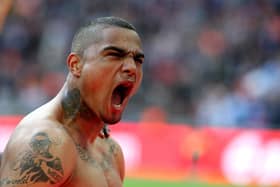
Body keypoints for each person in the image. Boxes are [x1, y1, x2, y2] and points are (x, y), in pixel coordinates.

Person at [0, 16, 144, 186]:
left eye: (137, 60)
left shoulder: (111, 150)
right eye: (114, 55)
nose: (131, 67)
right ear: (75, 65)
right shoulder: (47, 142)